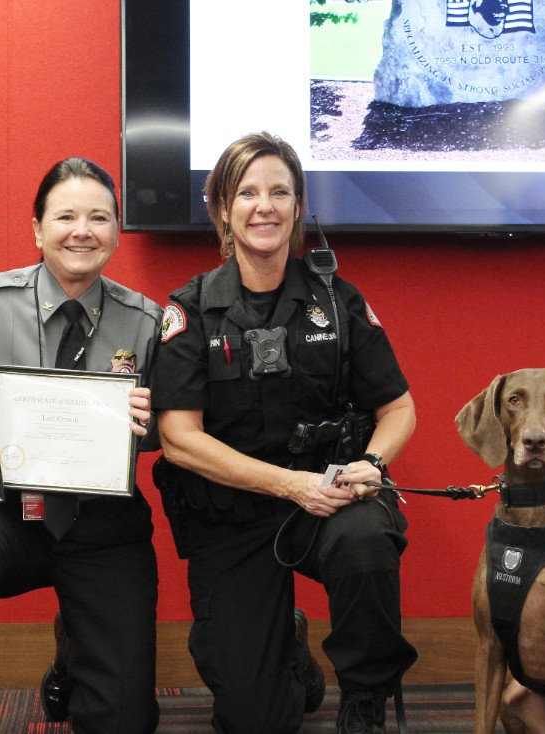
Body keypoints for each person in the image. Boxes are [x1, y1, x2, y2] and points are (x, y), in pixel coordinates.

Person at [152, 132, 418, 734]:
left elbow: (399, 409)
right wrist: (288, 484)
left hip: (326, 505)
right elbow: (178, 439)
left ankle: (364, 701)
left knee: (366, 538)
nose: (263, 205)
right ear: (221, 208)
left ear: (299, 206)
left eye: (279, 191)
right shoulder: (189, 310)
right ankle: (288, 653)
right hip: (233, 514)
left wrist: (372, 463)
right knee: (254, 719)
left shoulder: (339, 302)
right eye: (246, 192)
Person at [0, 157, 162, 734]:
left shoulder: (147, 323)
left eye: (99, 217)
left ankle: (76, 647)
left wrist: (152, 420)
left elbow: (176, 428)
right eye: (65, 216)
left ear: (116, 230)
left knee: (127, 722)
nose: (82, 230)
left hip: (103, 524)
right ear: (38, 228)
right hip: (7, 513)